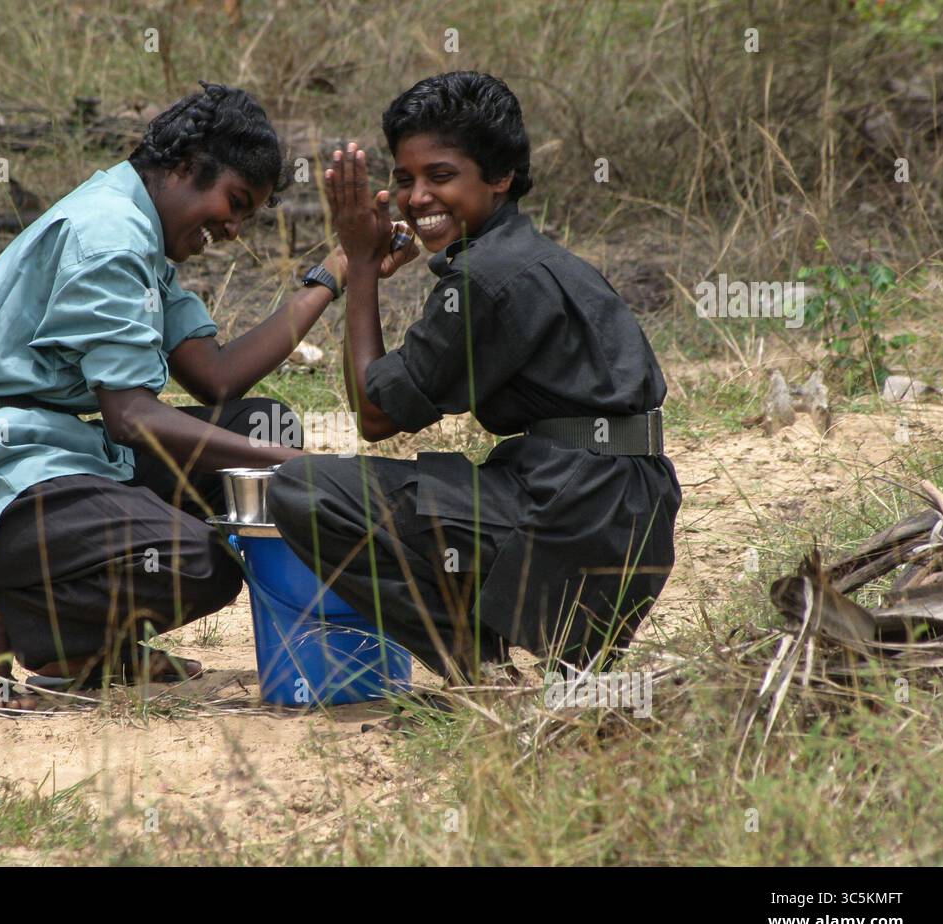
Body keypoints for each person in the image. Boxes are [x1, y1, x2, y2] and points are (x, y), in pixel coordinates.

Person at [0, 81, 416, 709]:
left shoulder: (139, 231)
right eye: (233, 202)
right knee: (203, 561)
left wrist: (339, 270)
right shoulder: (111, 235)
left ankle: (83, 647)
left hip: (50, 451)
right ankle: (0, 618)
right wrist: (297, 468)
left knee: (263, 426)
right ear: (185, 167)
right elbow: (132, 419)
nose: (230, 230)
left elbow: (216, 377)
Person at [267, 72, 683, 685]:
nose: (417, 198)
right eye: (404, 180)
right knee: (445, 486)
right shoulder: (541, 258)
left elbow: (376, 417)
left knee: (304, 490)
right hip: (627, 515)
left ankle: (476, 668)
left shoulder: (485, 280)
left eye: (440, 176)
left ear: (500, 177)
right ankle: (510, 652)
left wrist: (358, 266)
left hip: (577, 520)